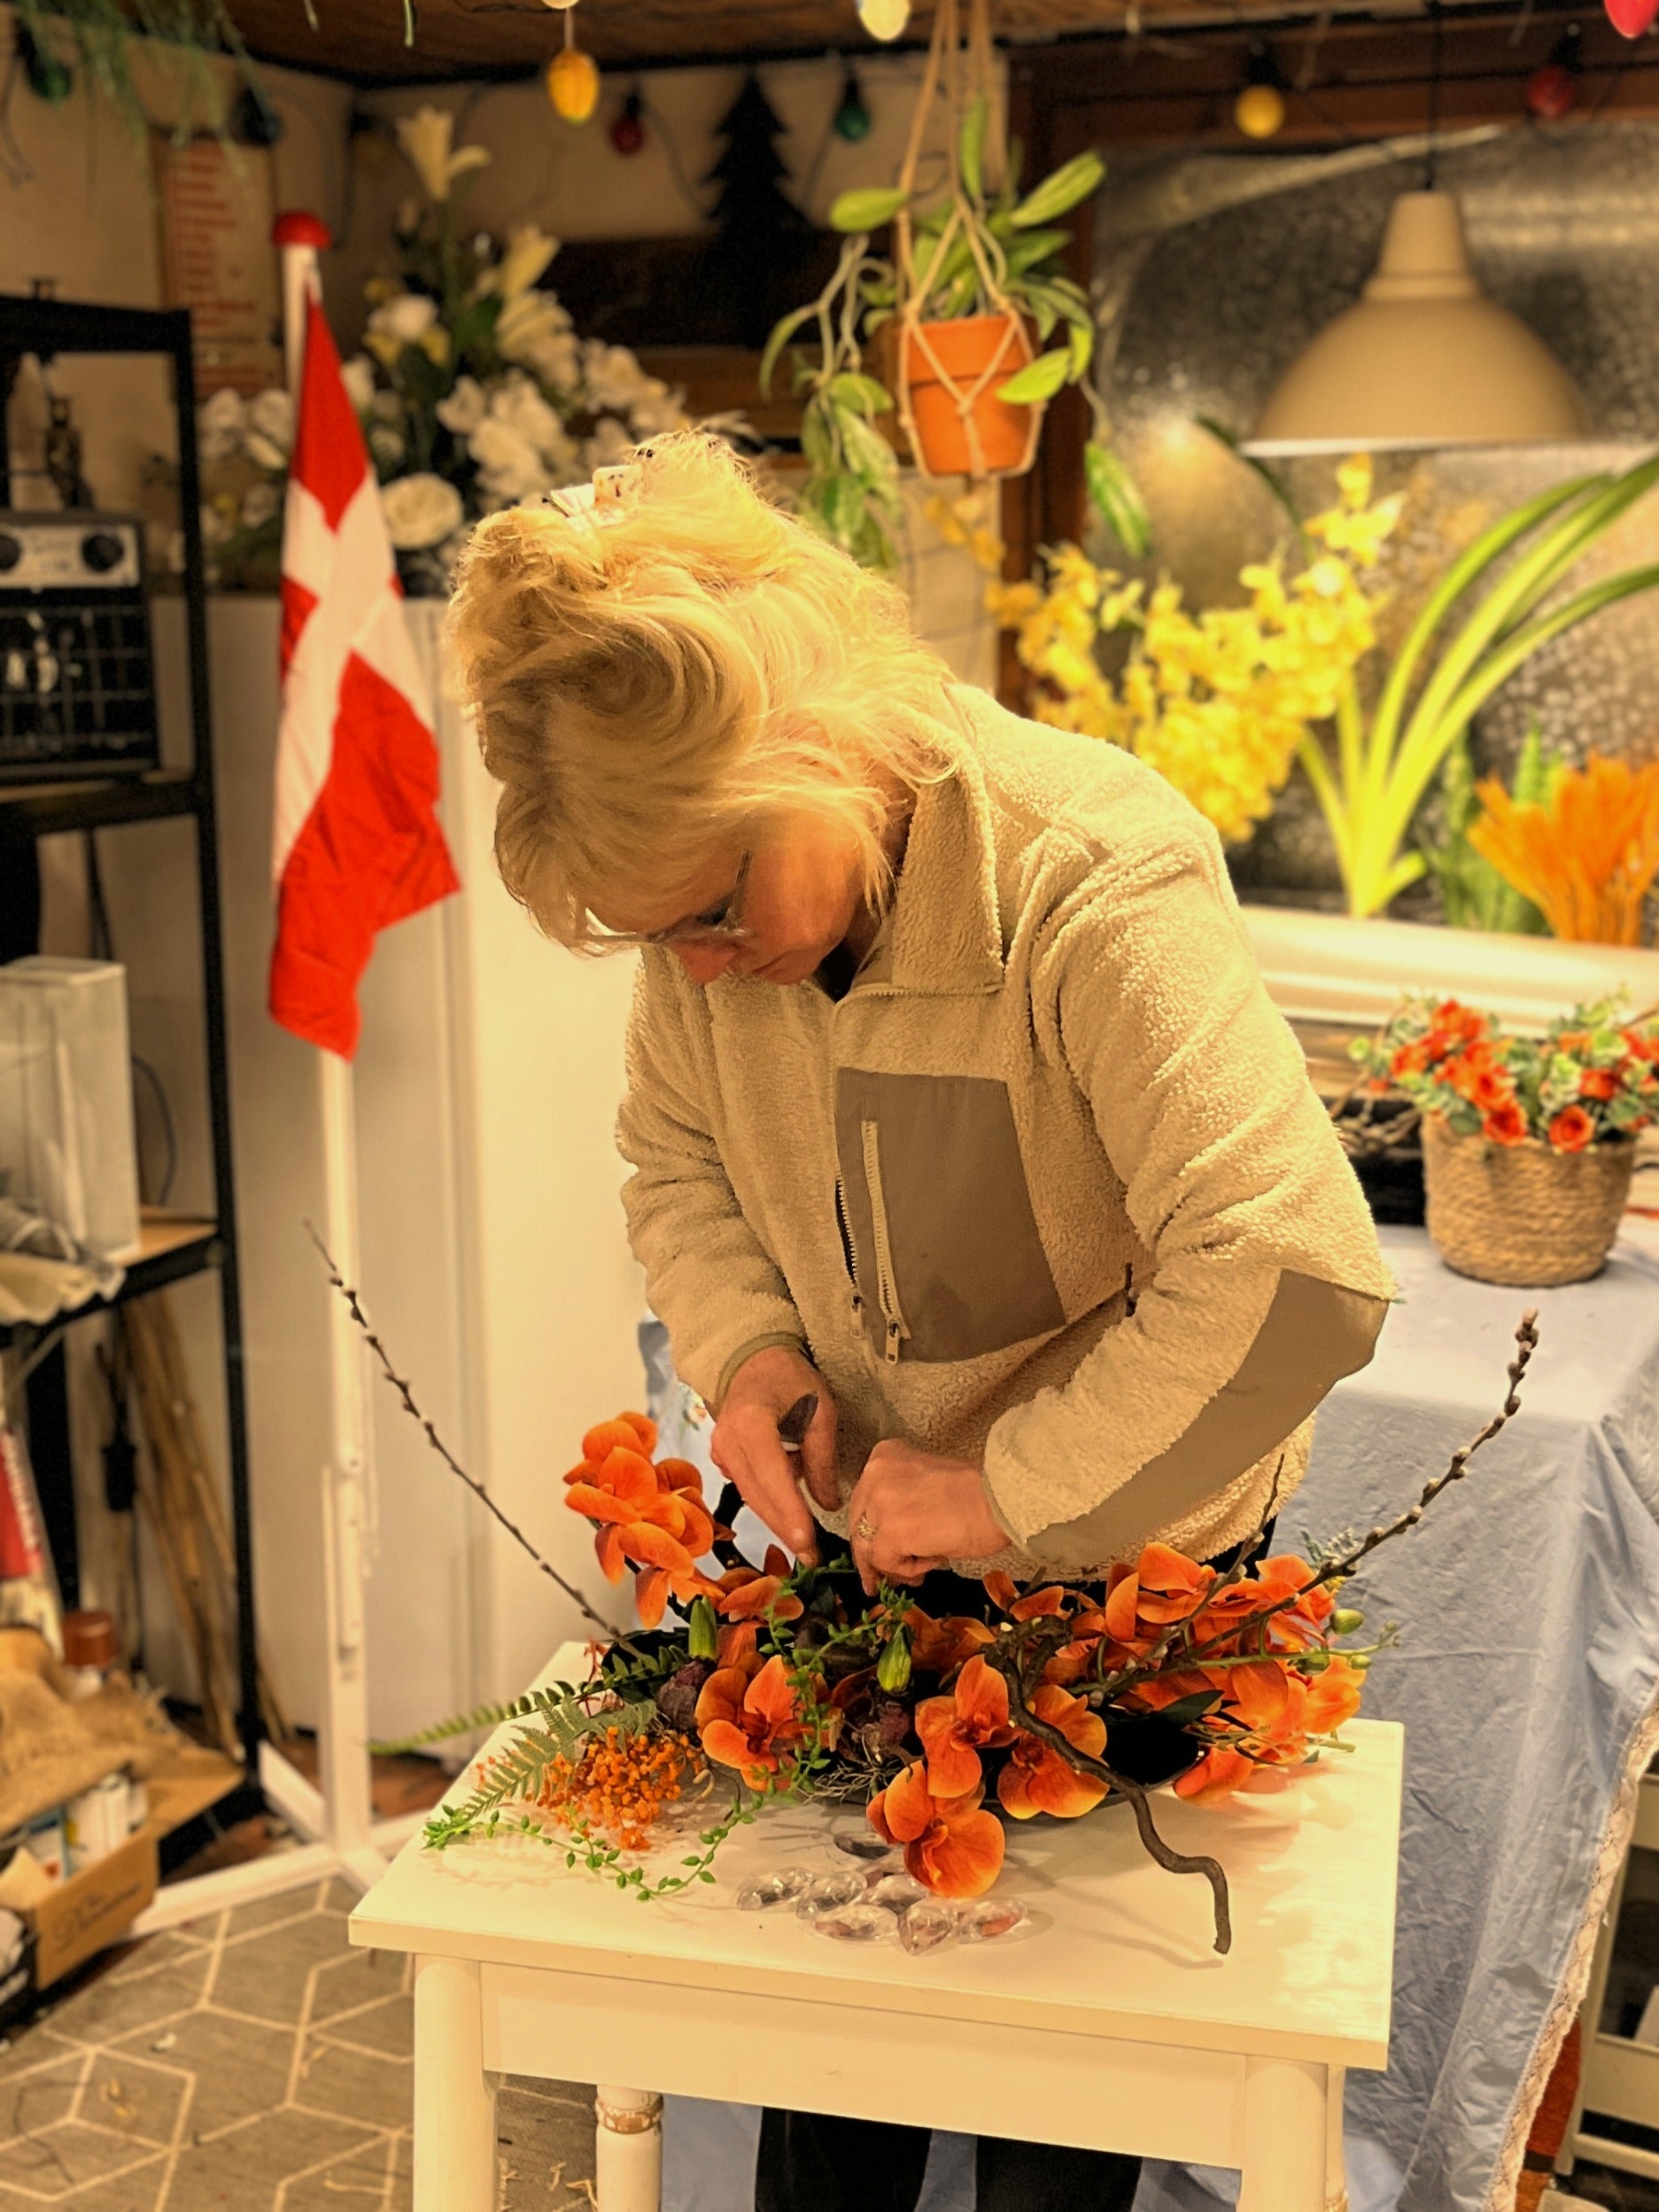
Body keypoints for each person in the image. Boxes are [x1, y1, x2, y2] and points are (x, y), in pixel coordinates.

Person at [447, 432, 1395, 2212]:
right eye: (657, 944)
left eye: (717, 916)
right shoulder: (705, 935)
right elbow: (673, 1164)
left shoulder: (1084, 877)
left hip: (1120, 1595)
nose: (703, 973)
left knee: (1046, 2134)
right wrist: (749, 1358)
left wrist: (1009, 1488)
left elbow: (1286, 1269)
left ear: (808, 751)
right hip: (877, 1584)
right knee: (831, 2104)